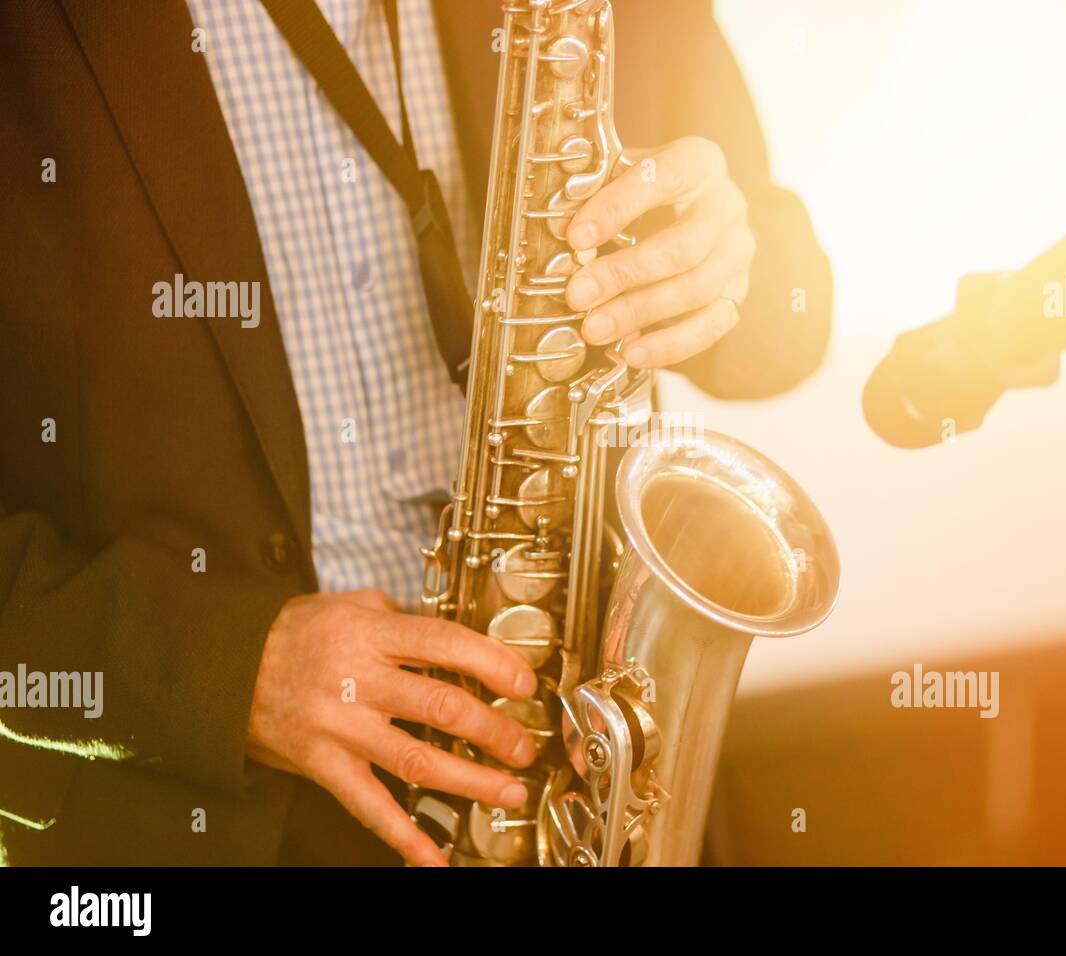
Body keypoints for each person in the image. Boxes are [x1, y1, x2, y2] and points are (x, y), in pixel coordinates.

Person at [0, 0, 832, 865]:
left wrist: (727, 267)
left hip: (590, 772)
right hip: (199, 817)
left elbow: (789, 332)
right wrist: (222, 674)